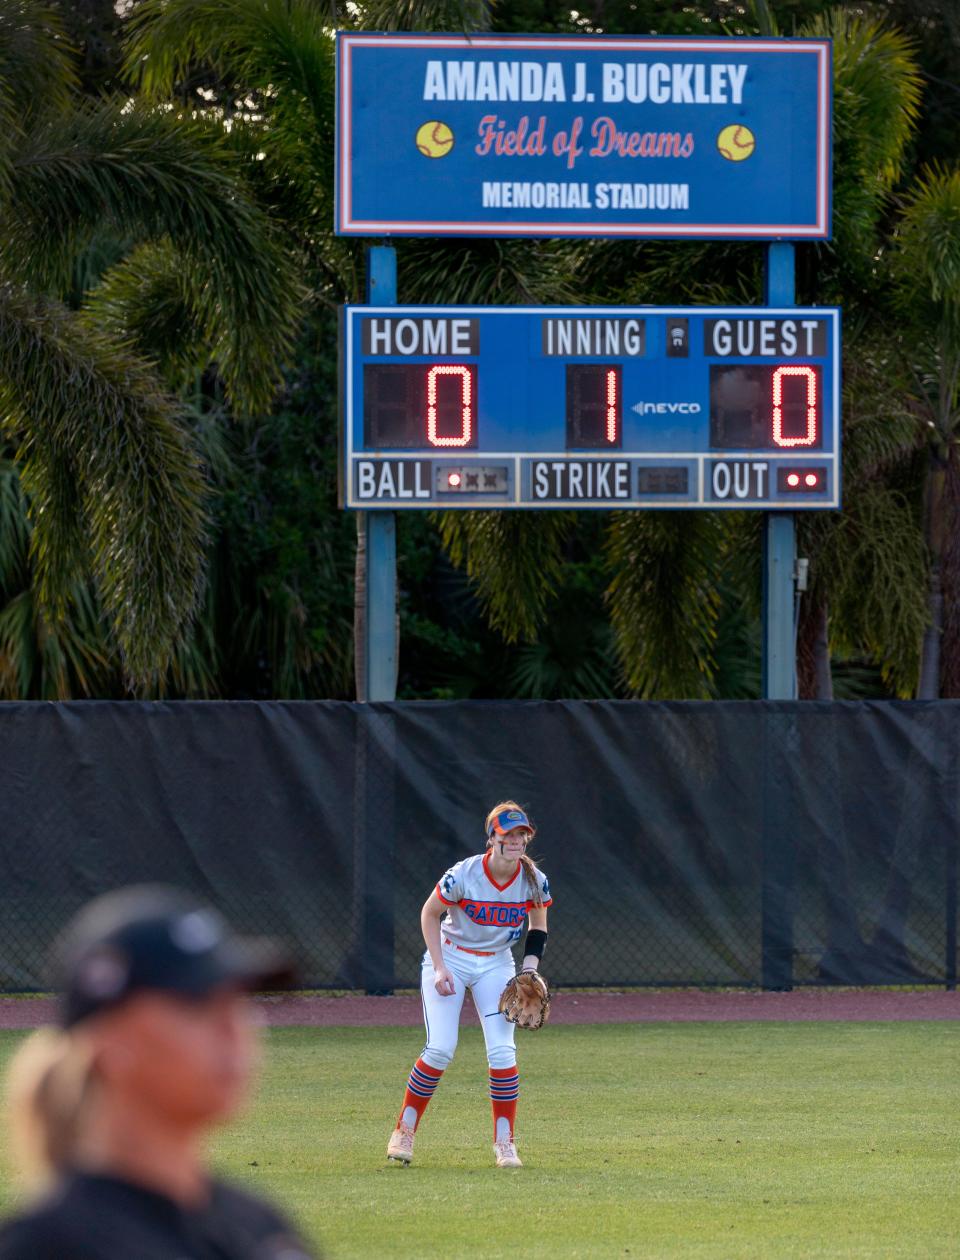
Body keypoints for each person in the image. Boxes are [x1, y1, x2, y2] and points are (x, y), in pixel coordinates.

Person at [0, 884, 318, 1260]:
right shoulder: (50, 1247)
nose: (233, 1029)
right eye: (196, 1003)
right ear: (110, 1043)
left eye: (236, 1000)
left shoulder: (261, 1226)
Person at [386, 801, 552, 1169]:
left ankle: (505, 1143)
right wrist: (441, 969)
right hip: (451, 956)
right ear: (492, 837)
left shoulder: (533, 881)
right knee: (441, 1047)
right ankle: (404, 1131)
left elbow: (537, 927)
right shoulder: (465, 874)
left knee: (503, 1053)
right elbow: (429, 914)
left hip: (496, 963)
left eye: (522, 833)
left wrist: (529, 969)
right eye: (508, 833)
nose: (516, 840)